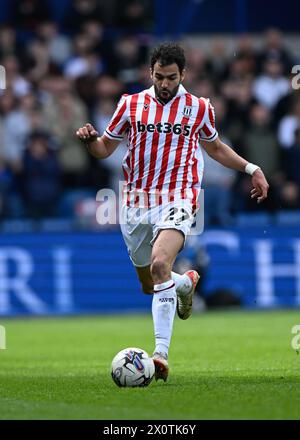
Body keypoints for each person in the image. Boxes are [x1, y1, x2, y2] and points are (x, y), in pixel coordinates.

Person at [76, 43, 269, 382]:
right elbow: (104, 149)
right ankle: (182, 284)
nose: (165, 84)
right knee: (149, 285)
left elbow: (215, 148)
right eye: (160, 77)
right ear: (150, 73)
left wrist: (251, 168)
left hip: (179, 196)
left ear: (183, 75)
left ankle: (160, 355)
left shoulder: (198, 107)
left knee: (160, 264)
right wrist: (90, 141)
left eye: (172, 78)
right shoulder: (130, 105)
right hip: (135, 202)